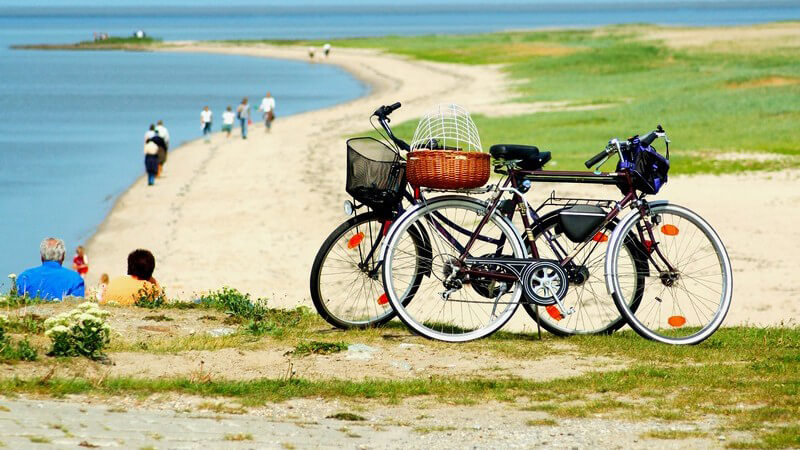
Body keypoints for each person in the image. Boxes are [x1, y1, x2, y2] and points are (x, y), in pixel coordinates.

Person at [15, 238, 85, 301]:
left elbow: (16, 304)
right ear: (63, 256)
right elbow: (78, 306)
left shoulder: (25, 277)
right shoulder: (75, 279)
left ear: (41, 256)